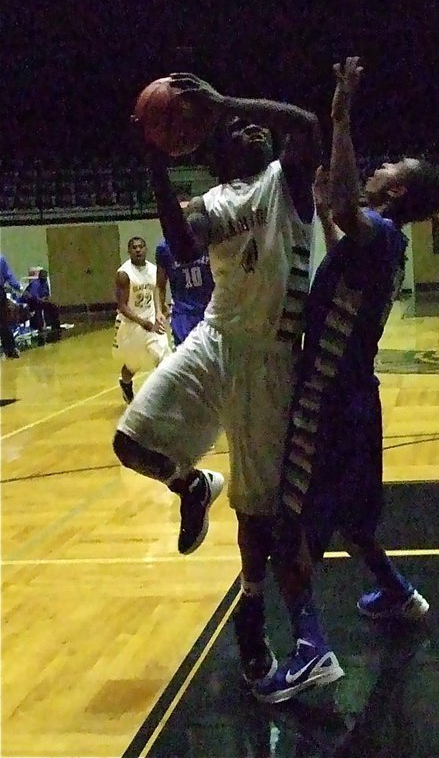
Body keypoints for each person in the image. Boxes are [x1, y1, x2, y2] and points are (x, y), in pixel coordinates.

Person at [113, 72, 320, 686]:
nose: (253, 127)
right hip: (215, 337)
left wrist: (227, 101)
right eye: (236, 127)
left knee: (257, 516)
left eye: (253, 123)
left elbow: (306, 124)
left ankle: (251, 618)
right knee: (131, 442)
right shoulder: (211, 204)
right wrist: (155, 158)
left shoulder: (287, 181)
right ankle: (193, 482)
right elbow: (178, 241)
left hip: (270, 359)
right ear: (212, 151)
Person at [254, 57, 439, 703]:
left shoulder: (380, 231)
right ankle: (394, 592)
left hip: (326, 399)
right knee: (355, 519)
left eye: (389, 169)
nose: (379, 166)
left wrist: (339, 117)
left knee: (291, 531)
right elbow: (336, 212)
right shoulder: (384, 243)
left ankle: (310, 649)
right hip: (357, 397)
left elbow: (342, 205)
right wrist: (323, 201)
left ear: (394, 193)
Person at [113, 236, 172, 403]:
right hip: (132, 326)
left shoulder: (154, 270)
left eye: (141, 246)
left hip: (153, 323)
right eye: (134, 247)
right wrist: (141, 322)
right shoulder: (124, 274)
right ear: (129, 251)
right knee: (132, 367)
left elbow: (158, 291)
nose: (138, 250)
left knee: (165, 359)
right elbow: (122, 306)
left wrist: (163, 309)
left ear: (146, 249)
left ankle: (164, 400)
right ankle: (125, 384)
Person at [155, 207, 214, 347]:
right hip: (183, 315)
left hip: (209, 311)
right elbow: (160, 285)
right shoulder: (165, 248)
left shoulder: (208, 243)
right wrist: (158, 310)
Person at [22, 269, 62, 340]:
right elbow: (33, 296)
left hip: (41, 300)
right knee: (38, 307)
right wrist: (43, 300)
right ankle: (40, 327)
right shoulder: (35, 284)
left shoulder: (45, 283)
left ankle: (55, 325)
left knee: (54, 306)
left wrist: (48, 300)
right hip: (31, 301)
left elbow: (47, 295)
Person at [0, 254, 22, 358]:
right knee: (3, 322)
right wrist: (19, 287)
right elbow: (9, 276)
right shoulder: (1, 258)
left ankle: (10, 349)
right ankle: (10, 349)